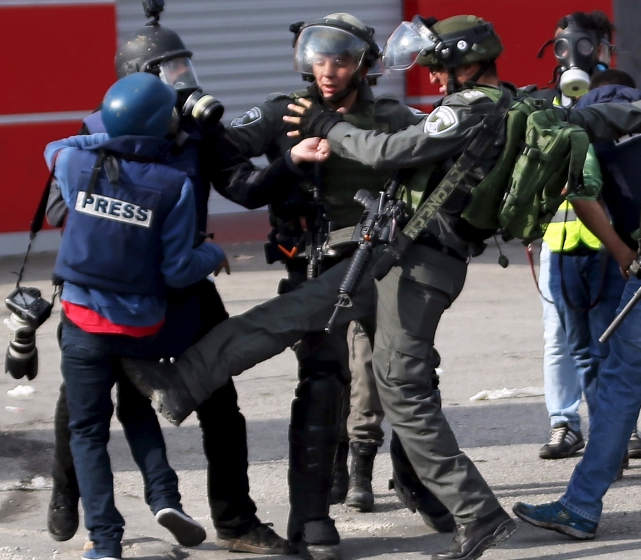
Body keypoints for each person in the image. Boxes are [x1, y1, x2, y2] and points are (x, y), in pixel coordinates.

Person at [121, 13, 641, 560]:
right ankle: (179, 385)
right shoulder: (525, 106)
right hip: (395, 255)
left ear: (464, 66)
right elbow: (594, 121)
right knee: (290, 315)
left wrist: (325, 126)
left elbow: (389, 152)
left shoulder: (463, 110)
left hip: (417, 263)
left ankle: (476, 514)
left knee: (403, 390)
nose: (433, 78)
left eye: (439, 67)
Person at [45, 18, 292, 555]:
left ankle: (236, 521)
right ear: (141, 80)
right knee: (82, 404)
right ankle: (67, 493)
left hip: (183, 281)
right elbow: (58, 208)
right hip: (116, 290)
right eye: (171, 69)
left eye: (185, 66)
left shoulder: (198, 134)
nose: (185, 79)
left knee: (221, 401)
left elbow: (245, 189)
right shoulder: (98, 134)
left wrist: (290, 163)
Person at [222, 13, 427, 559]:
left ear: (364, 64)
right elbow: (225, 157)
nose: (328, 71)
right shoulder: (283, 112)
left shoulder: (388, 116)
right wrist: (284, 165)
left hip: (383, 265)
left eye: (340, 59)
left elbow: (436, 154)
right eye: (319, 59)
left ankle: (419, 485)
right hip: (314, 264)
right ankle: (309, 516)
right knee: (320, 383)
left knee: (407, 374)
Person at [45, 72, 230, 560]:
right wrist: (214, 255)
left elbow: (55, 145)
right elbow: (177, 270)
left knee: (86, 432)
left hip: (83, 322)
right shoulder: (175, 185)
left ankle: (105, 542)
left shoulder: (76, 162)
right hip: (143, 328)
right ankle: (166, 498)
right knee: (136, 408)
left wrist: (112, 134)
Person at [512, 72, 641, 539]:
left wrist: (626, 252)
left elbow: (583, 192)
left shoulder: (592, 133)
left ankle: (581, 506)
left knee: (613, 381)